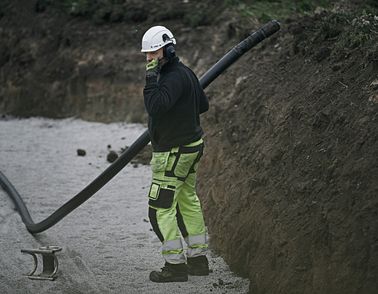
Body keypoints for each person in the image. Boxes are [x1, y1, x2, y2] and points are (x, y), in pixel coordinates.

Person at [141, 25, 210, 283]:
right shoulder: (186, 73)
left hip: (173, 152)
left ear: (168, 49)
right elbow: (202, 104)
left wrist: (150, 80)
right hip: (192, 147)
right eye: (146, 54)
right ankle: (198, 261)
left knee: (159, 208)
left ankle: (175, 267)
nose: (149, 59)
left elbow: (155, 107)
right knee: (187, 200)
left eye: (153, 52)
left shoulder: (168, 78)